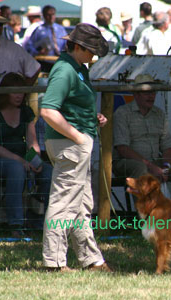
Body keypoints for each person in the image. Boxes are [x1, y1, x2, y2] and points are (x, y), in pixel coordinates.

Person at [39, 23, 112, 272]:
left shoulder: (78, 68)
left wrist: (93, 118)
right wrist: (79, 137)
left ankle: (91, 260)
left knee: (81, 205)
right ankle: (54, 262)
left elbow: (72, 107)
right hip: (69, 144)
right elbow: (48, 110)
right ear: (77, 46)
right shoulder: (65, 70)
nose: (95, 55)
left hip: (75, 142)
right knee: (64, 204)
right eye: (91, 50)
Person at [0, 72, 53, 237]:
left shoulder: (26, 112)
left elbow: (32, 143)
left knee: (48, 171)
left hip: (22, 159)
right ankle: (16, 225)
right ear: (5, 92)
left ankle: (45, 222)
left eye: (21, 91)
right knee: (16, 169)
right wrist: (21, 161)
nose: (19, 95)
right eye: (15, 91)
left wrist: (34, 160)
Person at [113, 74, 171, 205]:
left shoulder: (159, 114)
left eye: (153, 92)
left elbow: (167, 145)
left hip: (155, 162)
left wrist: (166, 166)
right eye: (146, 92)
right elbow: (122, 148)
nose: (151, 96)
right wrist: (150, 166)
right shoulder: (122, 113)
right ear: (136, 94)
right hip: (127, 162)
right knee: (141, 169)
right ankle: (149, 219)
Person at [26, 5, 67, 72]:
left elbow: (66, 45)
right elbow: (29, 47)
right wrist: (37, 52)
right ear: (44, 16)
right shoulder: (39, 30)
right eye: (48, 15)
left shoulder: (61, 29)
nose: (51, 17)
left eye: (53, 14)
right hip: (45, 63)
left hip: (59, 62)